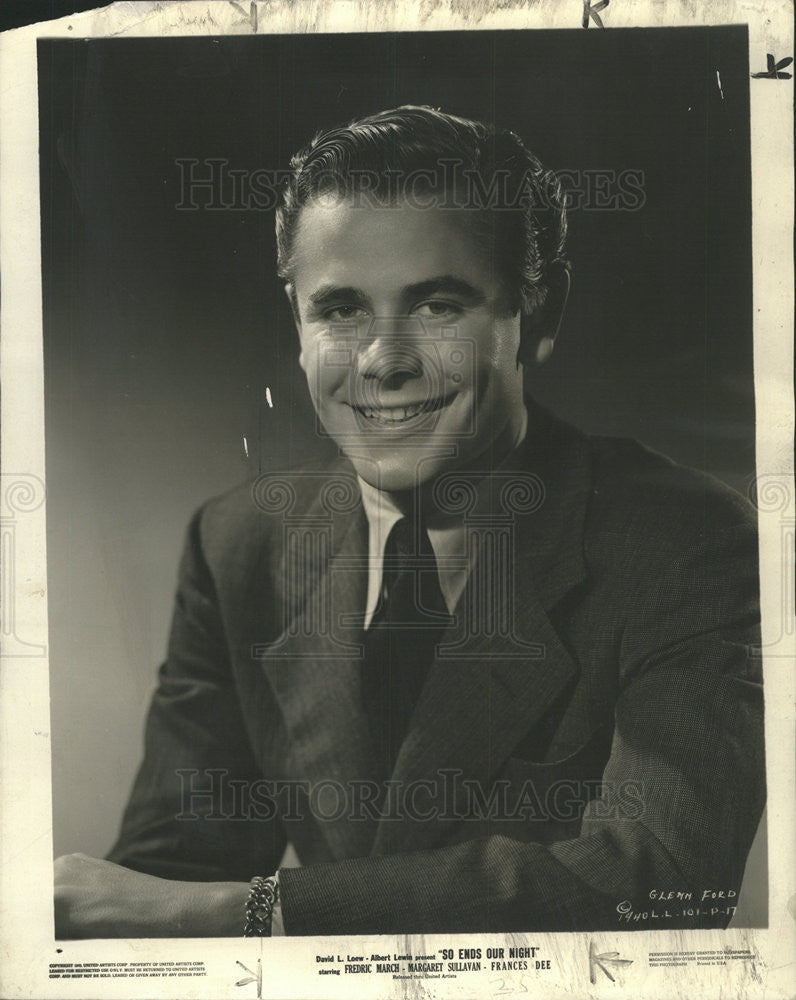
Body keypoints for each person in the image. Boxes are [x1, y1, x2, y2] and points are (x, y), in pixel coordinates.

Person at [54, 106, 765, 937]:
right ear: (297, 324)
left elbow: (663, 882)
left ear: (541, 312)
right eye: (340, 310)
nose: (383, 361)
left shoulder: (686, 542)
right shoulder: (240, 544)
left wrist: (249, 909)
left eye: (436, 306)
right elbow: (157, 884)